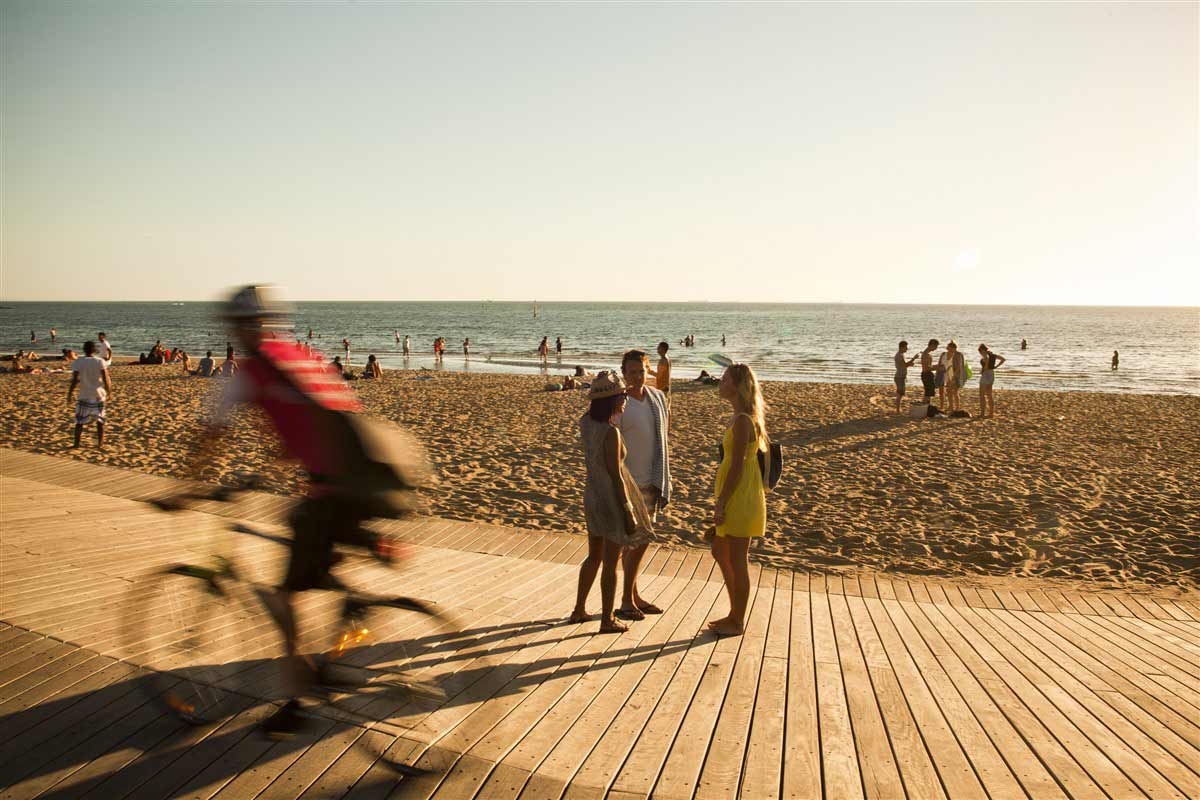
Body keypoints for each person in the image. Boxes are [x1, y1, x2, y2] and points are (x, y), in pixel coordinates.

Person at [175, 285, 426, 738]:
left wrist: (184, 490)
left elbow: (212, 435)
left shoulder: (251, 372)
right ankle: (352, 613)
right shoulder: (302, 356)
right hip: (374, 476)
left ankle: (299, 703)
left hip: (335, 490)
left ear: (239, 327)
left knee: (282, 596)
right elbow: (322, 418)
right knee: (300, 530)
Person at [571, 371, 654, 633]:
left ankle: (579, 610)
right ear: (613, 400)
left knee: (593, 555)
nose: (626, 400)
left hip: (592, 494)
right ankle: (607, 619)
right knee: (610, 561)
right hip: (609, 498)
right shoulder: (611, 432)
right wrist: (628, 510)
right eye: (622, 396)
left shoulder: (586, 423)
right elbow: (616, 475)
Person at [709, 363, 768, 637]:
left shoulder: (744, 420)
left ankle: (738, 619)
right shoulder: (738, 417)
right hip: (735, 493)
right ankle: (734, 613)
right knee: (720, 550)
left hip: (740, 495)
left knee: (737, 557)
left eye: (725, 379)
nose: (720, 383)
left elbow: (737, 467)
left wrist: (722, 501)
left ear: (737, 386)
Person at [614, 350, 671, 620]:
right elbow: (610, 444)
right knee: (637, 541)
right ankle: (626, 599)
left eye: (641, 371)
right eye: (631, 372)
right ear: (624, 374)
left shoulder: (656, 398)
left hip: (652, 478)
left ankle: (633, 596)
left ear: (648, 372)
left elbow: (661, 438)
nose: (637, 377)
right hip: (628, 481)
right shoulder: (619, 403)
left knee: (638, 541)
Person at [67, 341, 111, 448]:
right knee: (100, 421)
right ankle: (100, 443)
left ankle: (76, 444)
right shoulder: (99, 361)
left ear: (84, 350)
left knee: (80, 421)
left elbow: (75, 379)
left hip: (84, 394)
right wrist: (109, 391)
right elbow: (106, 378)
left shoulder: (78, 362)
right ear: (95, 350)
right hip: (98, 394)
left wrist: (70, 393)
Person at [977, 344, 1005, 417]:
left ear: (982, 350)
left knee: (982, 395)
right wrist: (996, 366)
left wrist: (982, 370)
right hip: (991, 373)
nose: (980, 353)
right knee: (989, 394)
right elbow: (1003, 359)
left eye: (980, 351)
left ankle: (982, 413)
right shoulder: (993, 355)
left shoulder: (986, 356)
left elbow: (986, 367)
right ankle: (991, 413)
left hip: (986, 374)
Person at [893, 341, 917, 414]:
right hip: (899, 377)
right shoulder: (899, 355)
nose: (907, 349)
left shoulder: (900, 355)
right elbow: (904, 365)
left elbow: (904, 365)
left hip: (900, 376)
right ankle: (897, 410)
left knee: (900, 393)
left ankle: (897, 409)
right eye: (906, 347)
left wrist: (910, 364)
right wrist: (913, 358)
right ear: (902, 347)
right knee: (900, 393)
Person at [647, 341, 672, 410]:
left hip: (663, 386)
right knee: (667, 408)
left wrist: (648, 371)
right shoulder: (668, 358)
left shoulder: (663, 360)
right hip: (667, 385)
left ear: (663, 349)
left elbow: (659, 375)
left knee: (663, 408)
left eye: (659, 348)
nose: (657, 349)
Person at [944, 340, 965, 414]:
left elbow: (959, 367)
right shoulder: (950, 354)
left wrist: (953, 376)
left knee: (955, 391)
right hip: (950, 374)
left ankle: (956, 407)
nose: (948, 350)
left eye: (949, 348)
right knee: (949, 391)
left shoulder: (958, 354)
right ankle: (951, 406)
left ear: (953, 348)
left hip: (956, 376)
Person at [919, 339, 939, 404]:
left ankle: (926, 406)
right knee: (928, 393)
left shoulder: (927, 354)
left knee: (928, 393)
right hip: (926, 375)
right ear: (932, 345)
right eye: (936, 346)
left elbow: (928, 366)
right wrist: (937, 368)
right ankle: (925, 407)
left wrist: (936, 366)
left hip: (927, 374)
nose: (936, 348)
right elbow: (926, 368)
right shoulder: (925, 355)